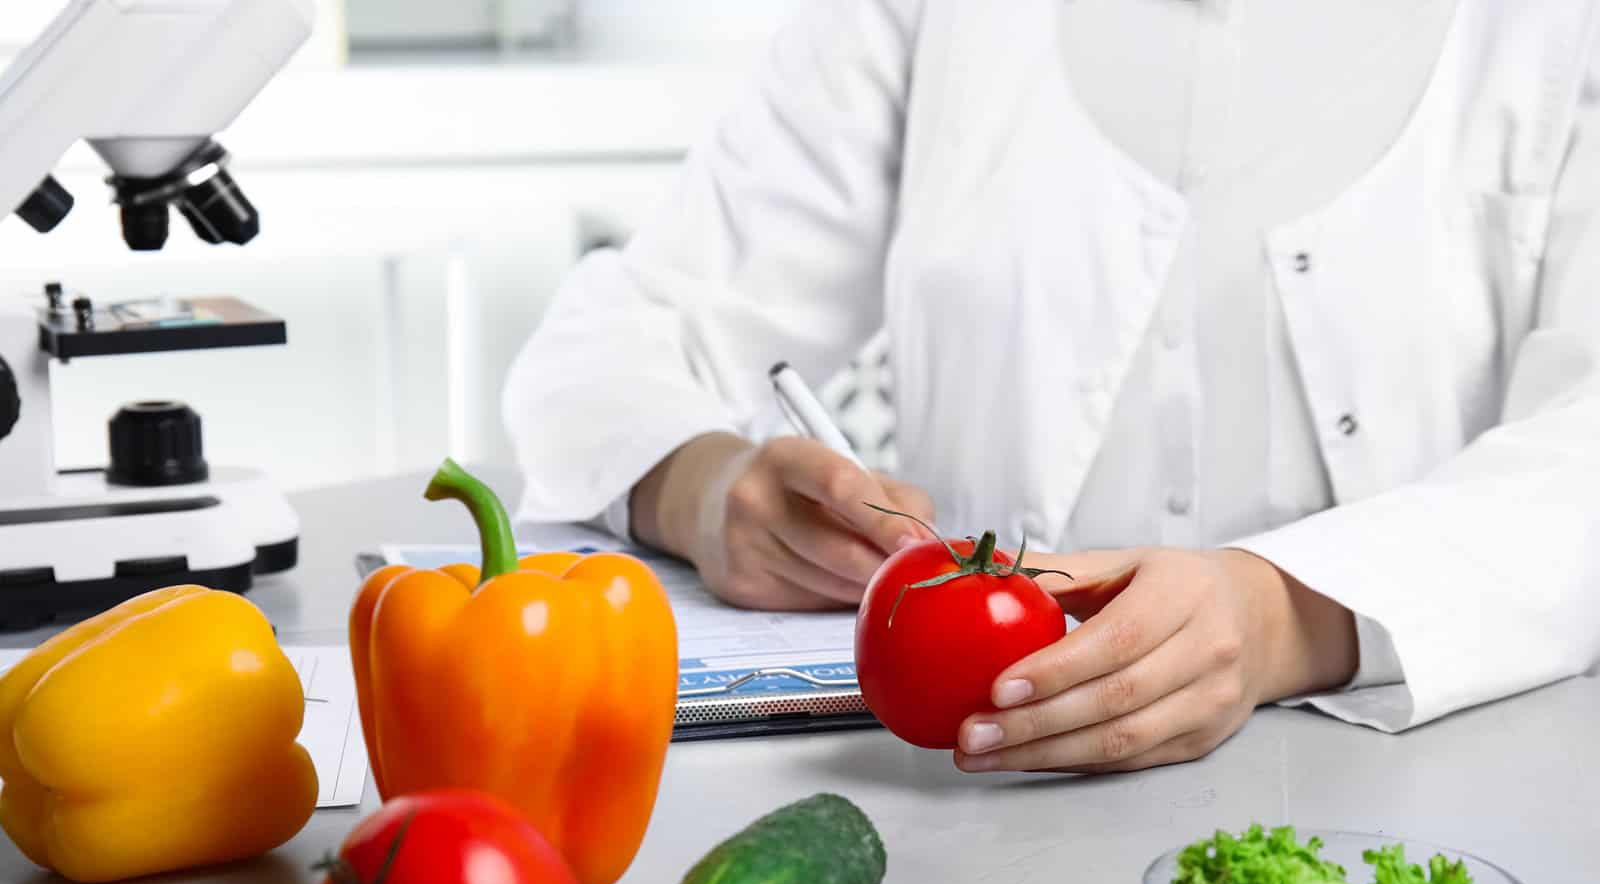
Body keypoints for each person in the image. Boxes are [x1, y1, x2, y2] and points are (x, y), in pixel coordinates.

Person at [502, 0, 1600, 773]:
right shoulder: (921, 17)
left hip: (1432, 819)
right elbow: (603, 347)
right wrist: (704, 490)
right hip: (966, 812)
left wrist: (1282, 614)